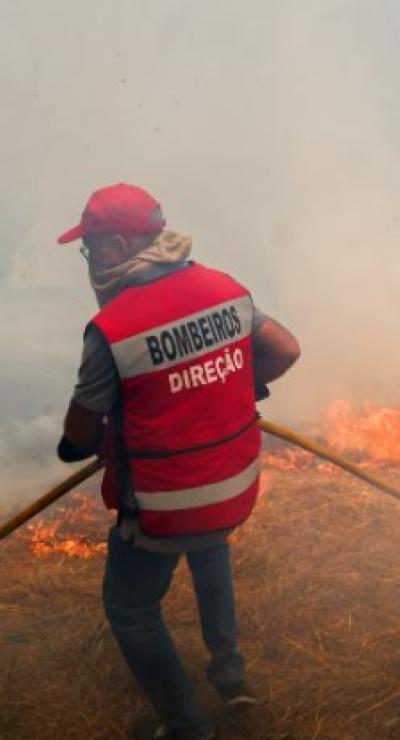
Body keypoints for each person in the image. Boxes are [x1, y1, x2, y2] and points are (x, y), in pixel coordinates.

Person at [56, 183, 300, 740]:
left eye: (92, 247)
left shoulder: (112, 330)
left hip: (165, 504)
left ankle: (187, 727)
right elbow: (284, 350)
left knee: (130, 609)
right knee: (209, 544)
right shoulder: (222, 287)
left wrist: (81, 446)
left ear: (118, 246)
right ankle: (230, 673)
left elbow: (78, 434)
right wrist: (241, 386)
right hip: (232, 487)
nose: (91, 260)